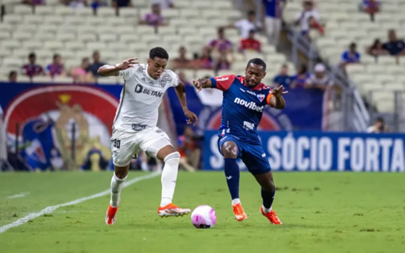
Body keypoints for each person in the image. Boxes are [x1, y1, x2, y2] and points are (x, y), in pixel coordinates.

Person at [97, 47, 198, 225]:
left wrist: (184, 108)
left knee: (173, 157)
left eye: (163, 67)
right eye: (157, 66)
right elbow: (101, 71)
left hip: (148, 130)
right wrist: (118, 67)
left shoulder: (168, 77)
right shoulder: (133, 70)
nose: (160, 70)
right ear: (148, 62)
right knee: (120, 176)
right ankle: (113, 206)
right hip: (124, 131)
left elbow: (180, 87)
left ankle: (165, 204)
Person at [192, 58, 286, 224]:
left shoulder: (265, 92)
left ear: (263, 75)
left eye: (257, 75)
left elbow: (277, 105)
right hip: (229, 134)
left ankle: (267, 210)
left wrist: (278, 97)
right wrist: (200, 82)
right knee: (229, 149)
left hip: (251, 141)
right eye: (250, 73)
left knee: (269, 186)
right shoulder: (231, 81)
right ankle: (236, 202)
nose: (252, 77)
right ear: (245, 70)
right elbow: (210, 82)